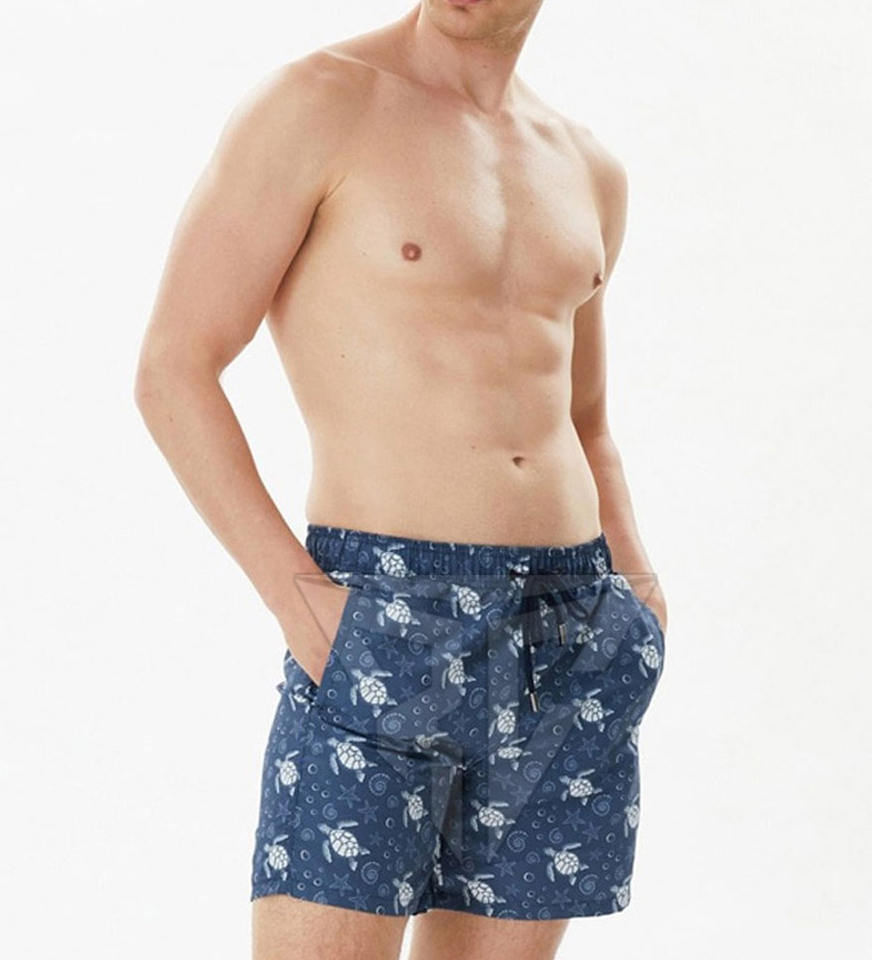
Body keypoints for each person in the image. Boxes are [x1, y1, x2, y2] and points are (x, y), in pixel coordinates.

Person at [134, 2, 669, 957]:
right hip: (383, 612)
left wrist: (637, 591)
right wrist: (303, 604)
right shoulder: (320, 103)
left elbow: (585, 417)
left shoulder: (588, 167)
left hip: (573, 627)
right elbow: (174, 368)